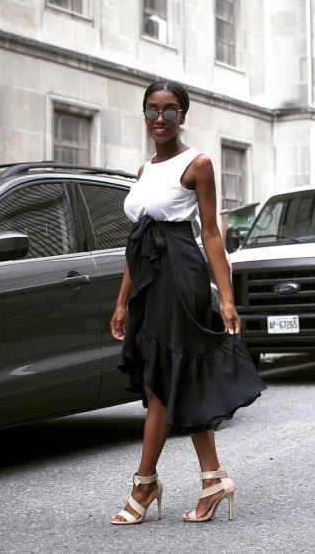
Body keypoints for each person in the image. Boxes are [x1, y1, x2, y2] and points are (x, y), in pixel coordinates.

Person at [109, 80, 266, 525]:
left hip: (180, 275)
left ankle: (144, 485)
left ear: (183, 115)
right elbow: (136, 241)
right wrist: (122, 302)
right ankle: (211, 479)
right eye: (152, 110)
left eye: (170, 110)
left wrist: (227, 298)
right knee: (165, 379)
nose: (160, 118)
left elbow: (211, 234)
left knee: (163, 380)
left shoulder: (197, 164)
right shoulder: (143, 170)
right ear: (144, 114)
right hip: (147, 280)